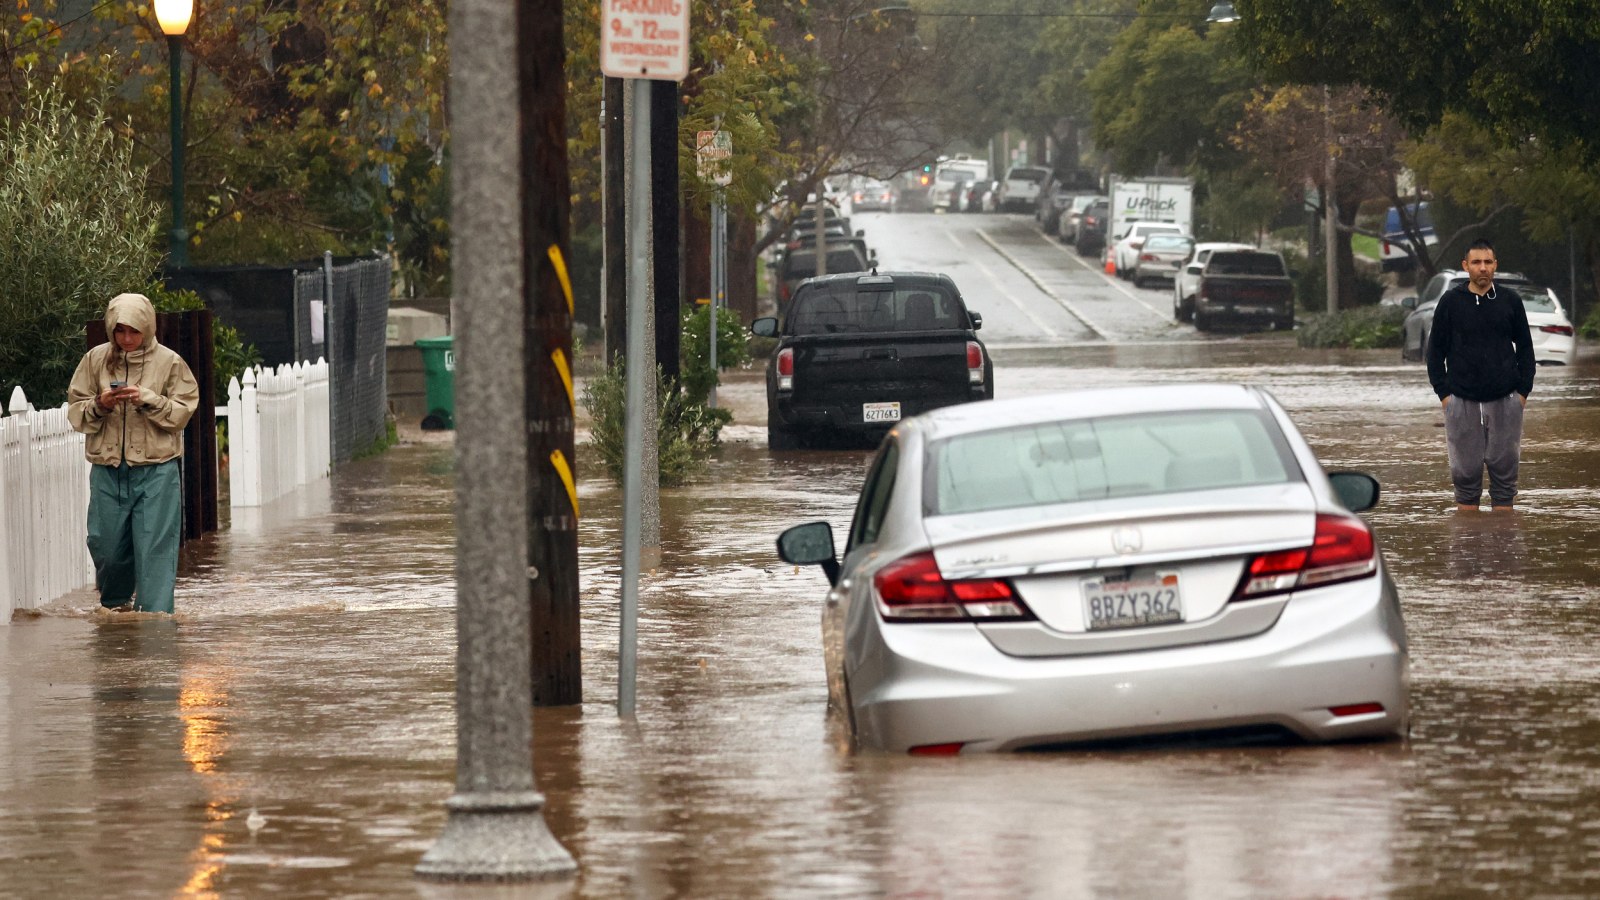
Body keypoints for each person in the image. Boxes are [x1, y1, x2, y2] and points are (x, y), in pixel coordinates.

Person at [66, 293, 200, 613]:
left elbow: (183, 411)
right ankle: (116, 614)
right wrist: (100, 404)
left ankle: (155, 632)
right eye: (120, 330)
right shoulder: (94, 360)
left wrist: (148, 399)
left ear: (148, 329)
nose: (127, 338)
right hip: (107, 470)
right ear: (111, 328)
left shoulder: (170, 362)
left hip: (157, 471)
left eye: (134, 331)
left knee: (155, 553)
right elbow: (76, 411)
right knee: (106, 549)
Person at [1426, 238, 1535, 513]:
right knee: (1465, 475)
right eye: (1476, 262)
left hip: (1506, 398)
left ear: (1495, 265)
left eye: (1488, 262)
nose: (1482, 268)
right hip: (1460, 399)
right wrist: (1444, 395)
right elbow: (1435, 352)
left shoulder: (1511, 301)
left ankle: (1504, 544)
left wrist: (1522, 393)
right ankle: (1467, 545)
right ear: (1466, 266)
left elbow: (1525, 349)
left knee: (1505, 477)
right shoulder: (1450, 302)